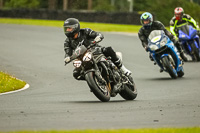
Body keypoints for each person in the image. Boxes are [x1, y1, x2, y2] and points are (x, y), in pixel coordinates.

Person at [63, 18, 131, 80]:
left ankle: (123, 69)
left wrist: (98, 37)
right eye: (66, 29)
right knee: (76, 74)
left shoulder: (85, 31)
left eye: (69, 28)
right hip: (82, 58)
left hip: (95, 50)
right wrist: (67, 58)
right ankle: (94, 81)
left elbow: (97, 34)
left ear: (75, 27)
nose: (67, 30)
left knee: (108, 49)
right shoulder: (67, 42)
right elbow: (67, 53)